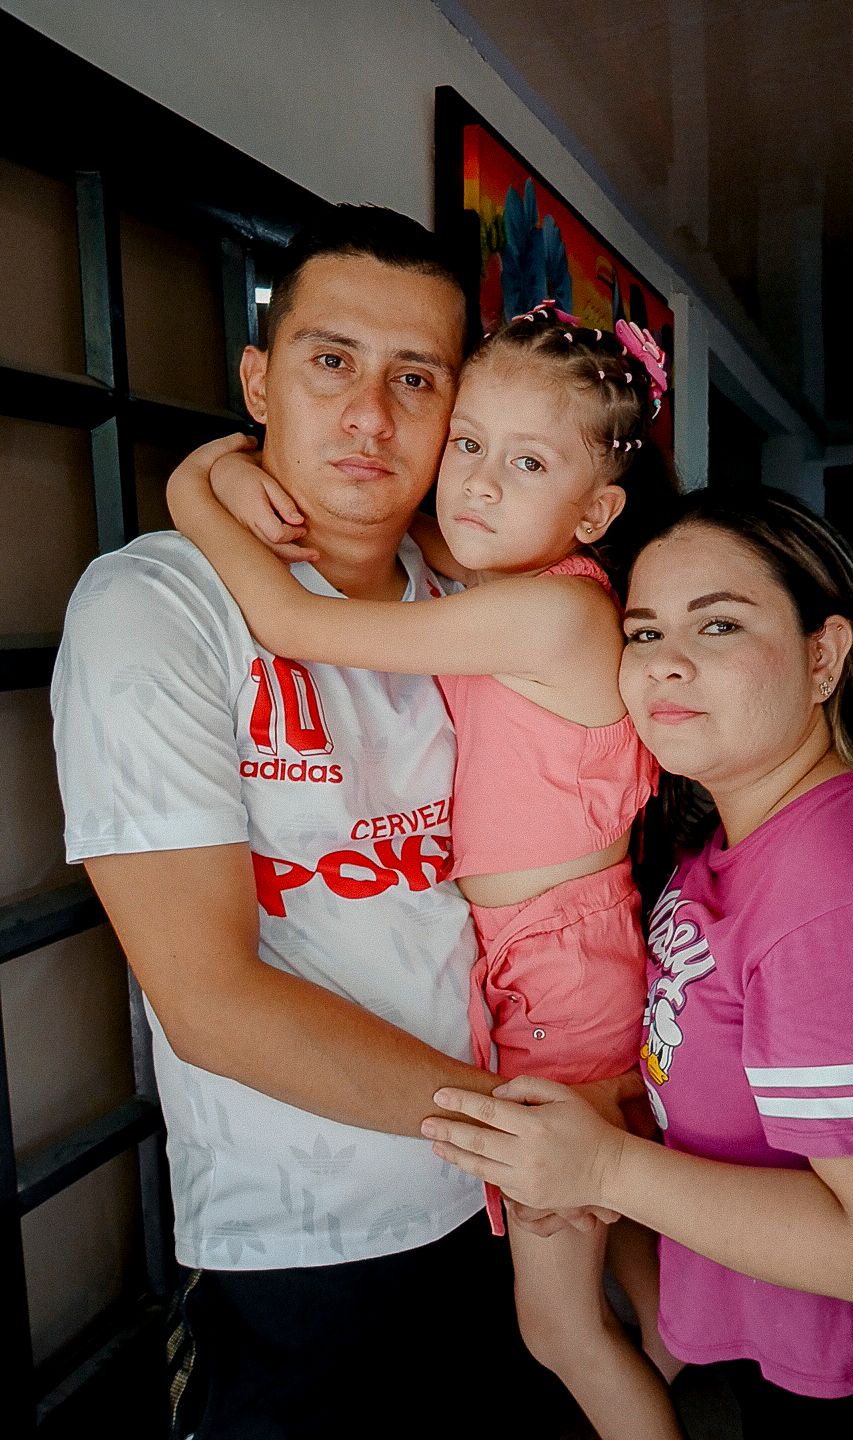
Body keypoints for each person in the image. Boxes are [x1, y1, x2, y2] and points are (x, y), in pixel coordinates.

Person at [50, 206, 634, 1439]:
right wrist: (526, 1137)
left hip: (503, 1183)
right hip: (311, 1242)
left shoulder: (467, 589)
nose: (371, 416)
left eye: (414, 379)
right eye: (330, 362)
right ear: (258, 380)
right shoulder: (158, 607)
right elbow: (209, 1002)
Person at [422, 487, 853, 1436]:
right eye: (642, 635)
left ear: (825, 656)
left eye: (718, 625)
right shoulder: (728, 841)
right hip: (814, 1368)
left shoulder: (849, 899)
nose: (667, 665)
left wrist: (603, 1168)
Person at [165, 303, 685, 1440]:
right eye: (469, 444)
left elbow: (290, 621)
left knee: (559, 1329)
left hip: (558, 984)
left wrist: (190, 490)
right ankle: (688, 1382)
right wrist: (244, 458)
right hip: (558, 961)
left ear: (596, 510)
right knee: (640, 1276)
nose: (481, 483)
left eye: (528, 460)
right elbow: (422, 536)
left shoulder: (548, 613)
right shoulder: (516, 576)